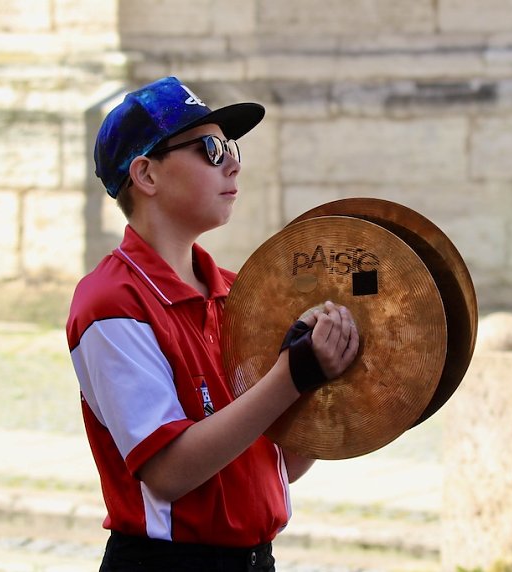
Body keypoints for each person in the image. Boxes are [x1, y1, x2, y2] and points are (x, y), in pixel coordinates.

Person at [66, 76, 360, 571]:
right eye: (210, 147)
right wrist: (292, 376)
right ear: (146, 175)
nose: (233, 161)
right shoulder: (111, 302)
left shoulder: (237, 291)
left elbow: (278, 461)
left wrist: (322, 383)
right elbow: (169, 472)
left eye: (232, 146)